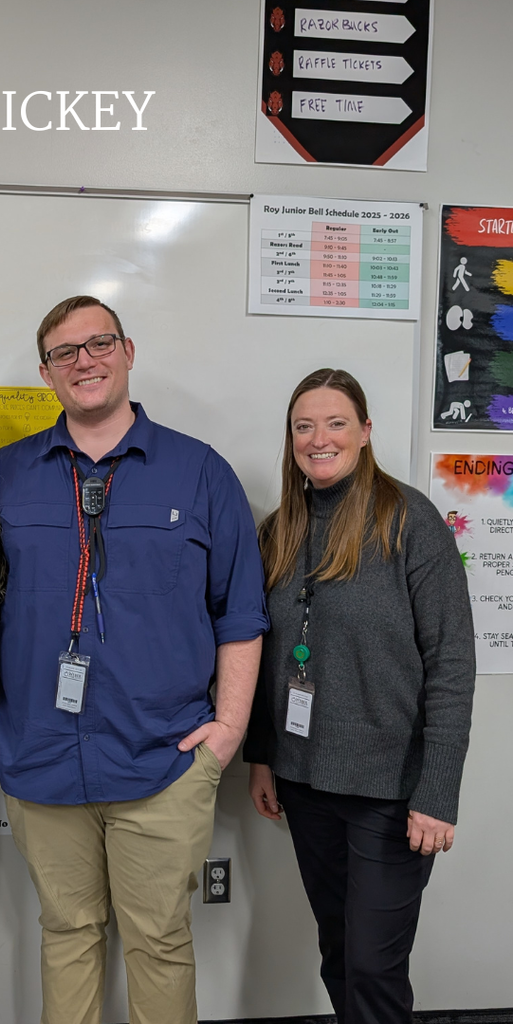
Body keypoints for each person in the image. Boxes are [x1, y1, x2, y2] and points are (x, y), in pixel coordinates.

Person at [0, 296, 269, 1024]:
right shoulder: (5, 475)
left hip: (164, 759)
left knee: (159, 941)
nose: (85, 362)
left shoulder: (200, 472)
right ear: (46, 373)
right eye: (65, 353)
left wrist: (228, 731)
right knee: (66, 934)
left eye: (99, 343)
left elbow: (240, 613)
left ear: (128, 352)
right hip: (40, 754)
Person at [244, 368, 475, 1024]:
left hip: (390, 791)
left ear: (366, 431)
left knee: (374, 964)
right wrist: (262, 757)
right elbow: (261, 653)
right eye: (304, 426)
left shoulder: (410, 522)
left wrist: (437, 794)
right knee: (340, 952)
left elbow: (452, 664)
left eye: (336, 423)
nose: (319, 438)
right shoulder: (278, 531)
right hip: (304, 783)